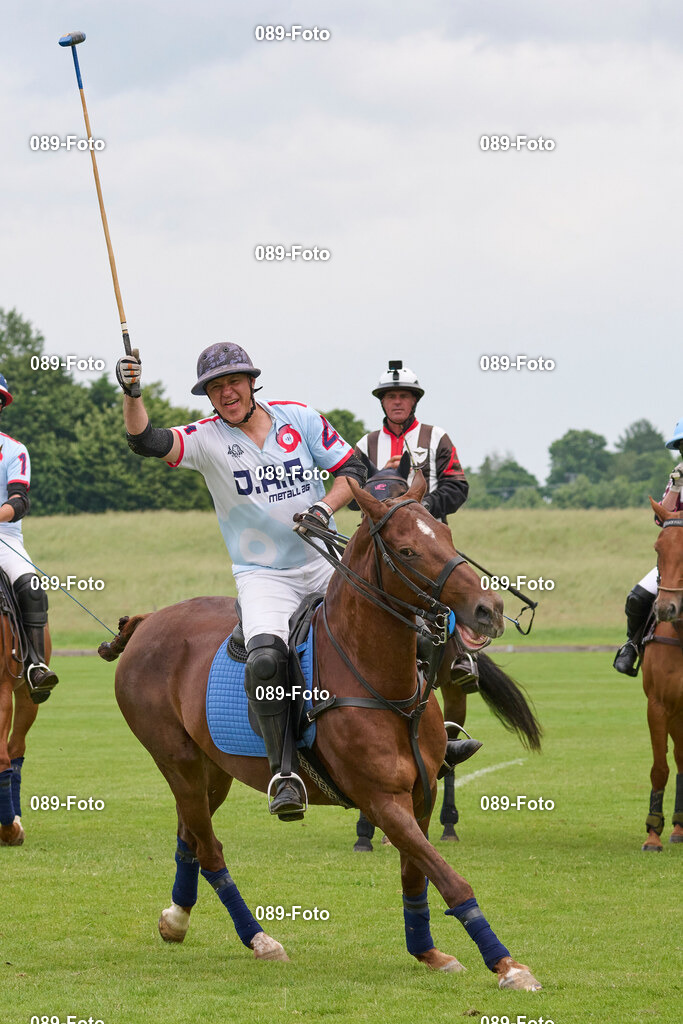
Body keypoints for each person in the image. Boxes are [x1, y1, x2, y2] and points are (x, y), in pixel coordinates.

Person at [117, 342, 366, 819]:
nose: (226, 393)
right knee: (268, 656)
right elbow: (145, 440)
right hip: (264, 576)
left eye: (233, 382)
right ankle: (284, 771)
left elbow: (352, 471)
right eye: (215, 387)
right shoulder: (205, 438)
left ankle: (435, 736)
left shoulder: (299, 418)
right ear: (208, 397)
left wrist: (323, 507)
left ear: (252, 382)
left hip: (325, 559)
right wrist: (133, 392)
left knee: (399, 614)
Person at [0, 374, 59, 702]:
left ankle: (35, 665)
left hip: (4, 537)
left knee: (32, 586)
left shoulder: (14, 451)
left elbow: (19, 500)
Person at [355, 360, 468, 521]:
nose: (397, 402)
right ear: (382, 401)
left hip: (427, 531)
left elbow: (457, 489)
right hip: (376, 536)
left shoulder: (437, 436)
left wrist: (423, 504)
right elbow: (351, 498)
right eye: (391, 396)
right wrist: (380, 478)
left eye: (404, 396)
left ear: (414, 400)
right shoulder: (365, 444)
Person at [613, 417, 683, 675]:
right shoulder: (678, 475)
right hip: (677, 559)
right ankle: (631, 645)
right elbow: (660, 518)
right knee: (638, 597)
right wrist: (676, 486)